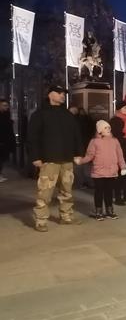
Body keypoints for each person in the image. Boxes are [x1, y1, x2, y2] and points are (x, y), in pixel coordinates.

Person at [27, 85, 84, 232]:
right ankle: (41, 220)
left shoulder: (67, 115)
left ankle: (66, 216)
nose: (62, 95)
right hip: (49, 160)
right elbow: (33, 138)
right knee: (45, 192)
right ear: (50, 95)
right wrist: (35, 157)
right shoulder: (40, 114)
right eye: (59, 93)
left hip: (67, 160)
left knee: (67, 190)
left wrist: (78, 153)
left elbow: (77, 135)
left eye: (63, 93)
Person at [79, 120, 126, 220]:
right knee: (99, 192)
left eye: (109, 127)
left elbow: (119, 154)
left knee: (109, 192)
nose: (108, 129)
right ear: (100, 130)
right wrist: (81, 161)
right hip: (99, 171)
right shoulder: (94, 141)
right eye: (106, 128)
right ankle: (98, 211)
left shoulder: (115, 141)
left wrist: (123, 167)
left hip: (111, 171)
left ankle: (109, 211)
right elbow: (90, 155)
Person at [0, 98, 16, 183]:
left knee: (2, 158)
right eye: (4, 105)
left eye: (7, 105)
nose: (6, 107)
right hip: (2, 141)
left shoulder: (6, 114)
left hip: (5, 141)